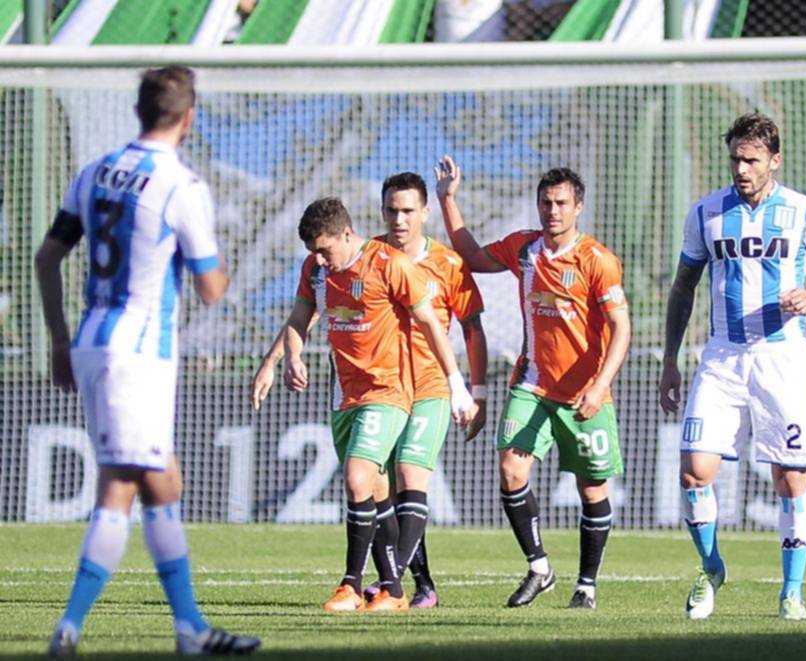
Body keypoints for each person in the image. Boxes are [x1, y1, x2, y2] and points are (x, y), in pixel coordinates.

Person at [35, 66, 260, 656]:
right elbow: (212, 288)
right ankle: (71, 626)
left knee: (162, 482)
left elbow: (47, 255)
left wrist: (58, 339)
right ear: (189, 118)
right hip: (138, 352)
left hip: (91, 338)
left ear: (140, 111)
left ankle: (189, 628)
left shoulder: (95, 171)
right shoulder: (180, 186)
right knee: (122, 489)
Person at [251, 173, 488, 610]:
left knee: (395, 477)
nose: (398, 219)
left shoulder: (411, 264)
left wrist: (469, 389)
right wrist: (280, 360)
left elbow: (456, 326)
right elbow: (301, 318)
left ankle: (363, 584)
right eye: (391, 210)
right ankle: (406, 586)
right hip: (349, 393)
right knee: (381, 493)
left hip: (415, 385)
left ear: (423, 213)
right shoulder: (324, 269)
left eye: (407, 211)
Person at [657, 112, 806, 622]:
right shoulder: (707, 213)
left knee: (791, 479)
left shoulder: (804, 212)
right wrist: (671, 361)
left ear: (774, 161)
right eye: (736, 159)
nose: (742, 169)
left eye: (751, 160)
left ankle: (791, 591)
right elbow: (684, 288)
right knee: (694, 472)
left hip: (781, 358)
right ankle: (711, 566)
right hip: (722, 355)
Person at [436, 157, 631, 609]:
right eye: (546, 202)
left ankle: (586, 585)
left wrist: (600, 386)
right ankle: (540, 567)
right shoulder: (525, 250)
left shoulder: (597, 260)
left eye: (562, 202)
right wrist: (447, 199)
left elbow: (622, 328)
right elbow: (473, 255)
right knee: (511, 469)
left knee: (592, 490)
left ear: (578, 206)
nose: (553, 210)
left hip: (585, 393)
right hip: (532, 385)